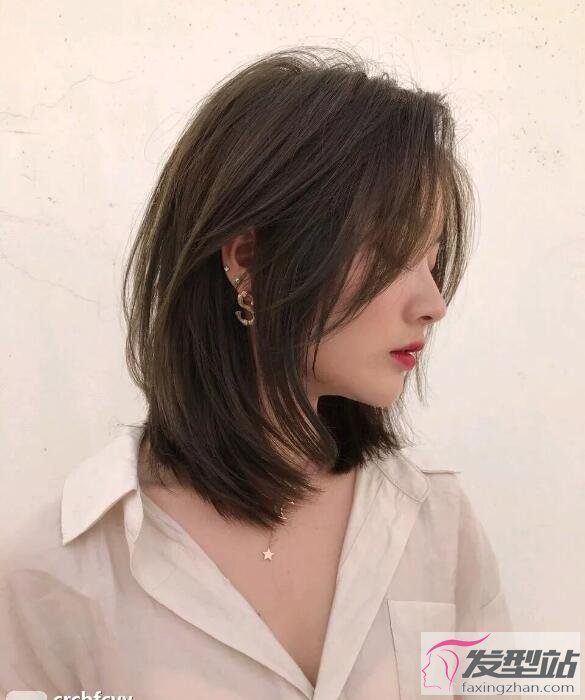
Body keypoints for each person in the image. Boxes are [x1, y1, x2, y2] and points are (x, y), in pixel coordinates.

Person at [0, 46, 515, 699]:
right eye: (391, 253)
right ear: (248, 259)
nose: (434, 303)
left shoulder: (435, 521)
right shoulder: (57, 570)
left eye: (432, 261)